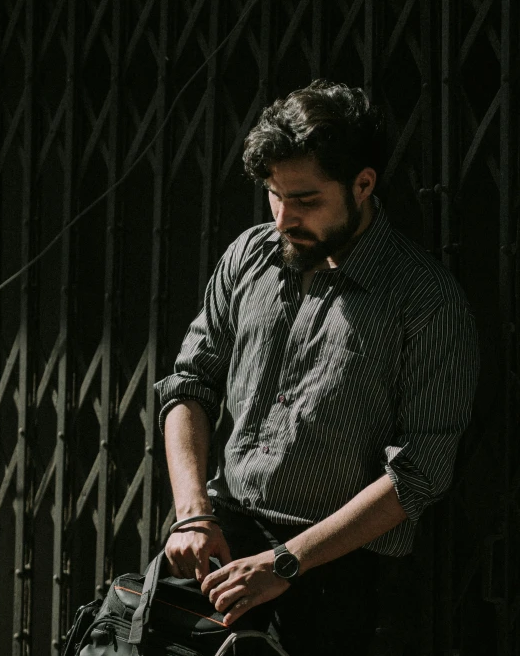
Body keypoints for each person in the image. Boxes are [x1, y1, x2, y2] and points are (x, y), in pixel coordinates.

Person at [154, 80, 479, 655]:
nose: (283, 219)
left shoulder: (424, 300)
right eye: (275, 196)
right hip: (217, 545)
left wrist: (286, 562)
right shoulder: (250, 255)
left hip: (338, 575)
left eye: (305, 201)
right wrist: (191, 516)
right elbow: (188, 383)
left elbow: (420, 472)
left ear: (363, 184)